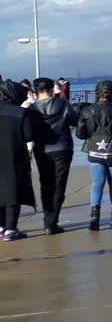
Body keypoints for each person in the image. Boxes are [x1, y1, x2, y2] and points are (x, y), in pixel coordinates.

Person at [75, 79, 112, 231]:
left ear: (97, 93)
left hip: (94, 151)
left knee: (97, 183)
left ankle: (94, 216)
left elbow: (80, 135)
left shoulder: (87, 111)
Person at [32, 77, 75, 234]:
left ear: (36, 91)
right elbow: (75, 120)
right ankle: (51, 222)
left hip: (42, 150)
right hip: (62, 148)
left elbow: (29, 132)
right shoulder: (63, 104)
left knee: (46, 185)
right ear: (52, 89)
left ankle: (48, 219)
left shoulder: (32, 109)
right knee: (59, 186)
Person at [0, 79, 41, 241]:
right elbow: (29, 136)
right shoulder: (20, 113)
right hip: (13, 156)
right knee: (13, 191)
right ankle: (11, 229)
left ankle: (1, 226)